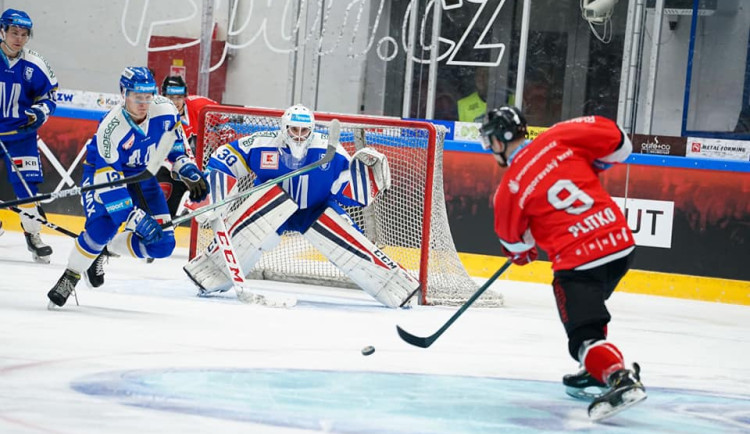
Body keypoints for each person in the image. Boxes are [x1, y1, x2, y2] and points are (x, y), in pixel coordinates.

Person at [479, 106, 646, 420]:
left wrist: (524, 252)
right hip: (620, 246)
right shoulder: (558, 138)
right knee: (591, 310)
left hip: (580, 263)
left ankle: (618, 377)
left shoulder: (510, 189)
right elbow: (619, 142)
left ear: (500, 141)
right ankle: (592, 367)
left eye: (490, 142)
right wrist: (595, 162)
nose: (489, 149)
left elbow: (517, 249)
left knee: (584, 335)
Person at [183, 104, 418, 308]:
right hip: (272, 205)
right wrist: (214, 190)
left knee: (344, 243)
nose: (298, 135)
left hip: (316, 209)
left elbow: (348, 193)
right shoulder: (262, 143)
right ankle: (212, 274)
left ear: (312, 129)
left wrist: (367, 182)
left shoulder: (330, 150)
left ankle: (395, 286)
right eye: (293, 129)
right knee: (253, 237)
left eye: (304, 130)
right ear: (284, 128)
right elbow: (226, 157)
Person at [46, 67, 209, 308]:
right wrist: (135, 219)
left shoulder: (165, 111)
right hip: (106, 177)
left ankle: (107, 249)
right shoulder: (110, 127)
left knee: (163, 245)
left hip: (143, 177)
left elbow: (175, 148)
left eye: (148, 96)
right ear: (124, 93)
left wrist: (188, 170)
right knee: (101, 229)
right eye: (137, 97)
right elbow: (109, 185)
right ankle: (70, 276)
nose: (144, 103)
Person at [0, 8, 58, 262]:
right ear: (2, 31)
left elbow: (49, 97)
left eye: (24, 34)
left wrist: (38, 113)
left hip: (20, 134)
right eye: (14, 32)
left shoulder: (35, 63)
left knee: (28, 187)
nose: (19, 38)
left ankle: (33, 235)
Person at [157, 75, 217, 217]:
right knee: (164, 202)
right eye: (170, 97)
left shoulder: (200, 105)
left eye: (179, 97)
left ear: (185, 96)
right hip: (172, 170)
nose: (175, 102)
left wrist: (217, 134)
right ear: (163, 95)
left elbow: (224, 117)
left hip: (200, 168)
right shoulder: (155, 113)